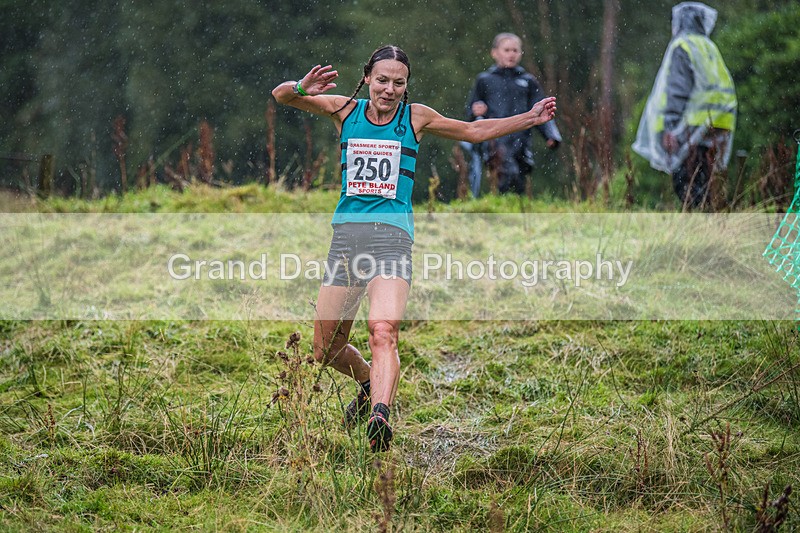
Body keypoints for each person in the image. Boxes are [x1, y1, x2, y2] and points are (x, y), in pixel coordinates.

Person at [272, 45, 556, 452]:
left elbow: (473, 130)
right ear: (368, 77)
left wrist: (530, 118)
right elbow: (282, 96)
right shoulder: (344, 110)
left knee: (383, 330)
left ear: (406, 86)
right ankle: (370, 383)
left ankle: (380, 416)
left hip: (392, 238)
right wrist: (302, 86)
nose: (389, 89)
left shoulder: (416, 117)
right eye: (383, 80)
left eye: (398, 83)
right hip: (347, 241)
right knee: (325, 348)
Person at [632, 2, 737, 209]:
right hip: (720, 123)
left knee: (687, 182)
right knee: (707, 181)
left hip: (693, 126)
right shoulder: (708, 46)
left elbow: (676, 91)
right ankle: (709, 224)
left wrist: (671, 128)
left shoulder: (683, 46)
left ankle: (697, 227)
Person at [465, 33, 562, 195]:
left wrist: (551, 135)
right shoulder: (485, 80)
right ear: (494, 53)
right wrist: (476, 111)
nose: (511, 54)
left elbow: (541, 110)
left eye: (515, 50)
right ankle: (498, 208)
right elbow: (470, 111)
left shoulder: (528, 81)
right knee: (505, 174)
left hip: (521, 140)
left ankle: (513, 209)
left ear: (520, 53)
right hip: (495, 139)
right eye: (507, 50)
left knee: (519, 179)